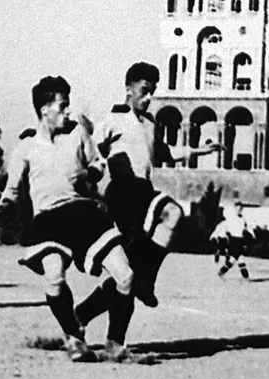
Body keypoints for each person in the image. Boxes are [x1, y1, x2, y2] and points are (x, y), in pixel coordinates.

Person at [0, 75, 136, 363]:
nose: (68, 112)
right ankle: (73, 337)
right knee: (54, 277)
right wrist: (3, 205)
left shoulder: (78, 133)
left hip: (85, 214)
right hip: (48, 221)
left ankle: (114, 344)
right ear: (44, 109)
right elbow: (12, 189)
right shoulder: (26, 147)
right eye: (62, 106)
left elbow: (98, 162)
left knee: (126, 276)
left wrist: (88, 174)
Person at [79, 61, 221, 311]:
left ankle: (84, 313)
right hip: (122, 192)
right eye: (144, 90)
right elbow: (92, 150)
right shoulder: (114, 118)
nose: (149, 97)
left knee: (132, 269)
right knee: (166, 220)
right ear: (128, 89)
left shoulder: (151, 123)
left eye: (152, 92)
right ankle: (143, 283)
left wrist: (201, 150)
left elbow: (165, 152)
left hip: (142, 191)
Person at [215, 203, 251, 279]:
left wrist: (247, 237)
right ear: (235, 209)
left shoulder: (243, 219)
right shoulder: (231, 218)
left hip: (240, 240)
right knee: (237, 258)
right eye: (238, 208)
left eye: (241, 209)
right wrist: (225, 236)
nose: (239, 210)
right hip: (233, 240)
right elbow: (225, 227)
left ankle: (222, 272)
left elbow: (245, 229)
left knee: (237, 259)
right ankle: (245, 276)